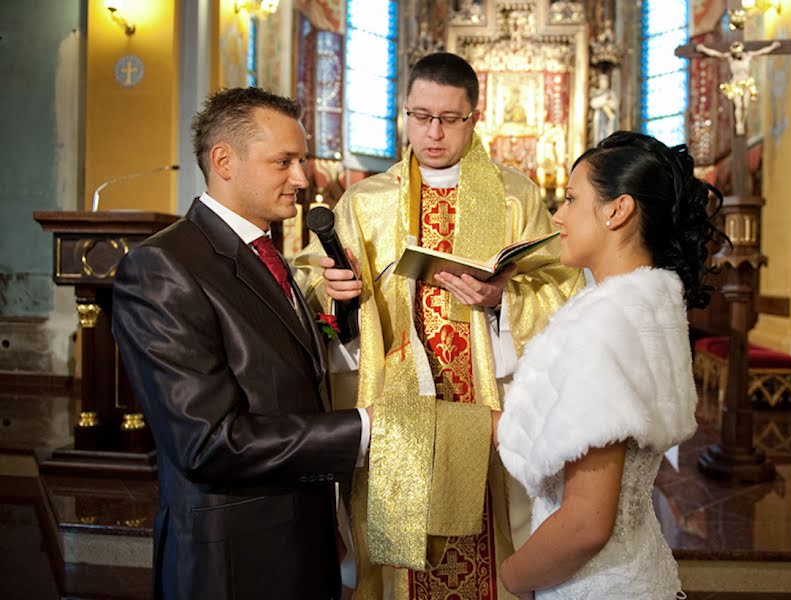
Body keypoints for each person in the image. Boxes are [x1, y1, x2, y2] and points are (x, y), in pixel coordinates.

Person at [294, 52, 582, 599]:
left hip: (490, 401)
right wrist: (339, 297)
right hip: (396, 402)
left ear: (475, 117)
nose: (432, 132)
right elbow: (311, 284)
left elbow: (562, 288)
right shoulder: (366, 201)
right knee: (401, 556)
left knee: (490, 527)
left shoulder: (514, 195)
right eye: (420, 115)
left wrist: (501, 300)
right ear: (405, 113)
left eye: (449, 118)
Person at [112, 87, 371, 600]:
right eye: (284, 162)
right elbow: (207, 443)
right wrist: (366, 432)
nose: (302, 178)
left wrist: (343, 316)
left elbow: (283, 369)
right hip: (232, 561)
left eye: (302, 160)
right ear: (224, 160)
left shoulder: (265, 252)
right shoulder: (164, 266)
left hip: (302, 541)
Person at [497, 131, 727, 599]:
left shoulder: (601, 324)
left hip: (593, 584)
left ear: (617, 211)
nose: (557, 216)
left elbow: (585, 524)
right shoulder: (653, 308)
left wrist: (510, 579)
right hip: (639, 565)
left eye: (571, 199)